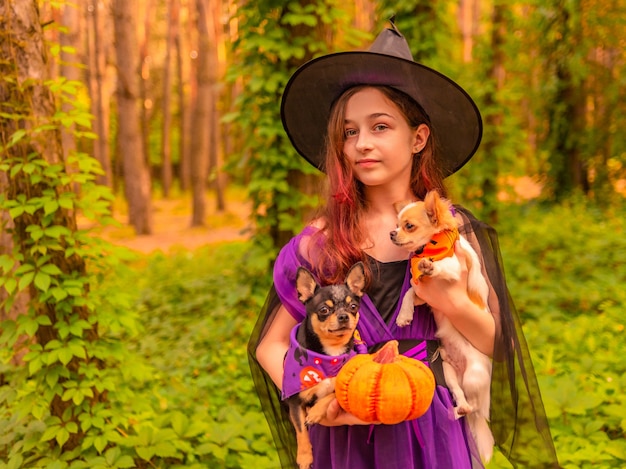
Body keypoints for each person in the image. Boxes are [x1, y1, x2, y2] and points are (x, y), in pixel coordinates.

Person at [248, 21, 560, 469]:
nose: (362, 144)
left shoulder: (452, 232)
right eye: (350, 132)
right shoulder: (322, 240)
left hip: (429, 421)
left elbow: (498, 343)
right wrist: (319, 397)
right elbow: (270, 345)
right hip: (348, 427)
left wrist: (452, 301)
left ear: (418, 138)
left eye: (380, 126)